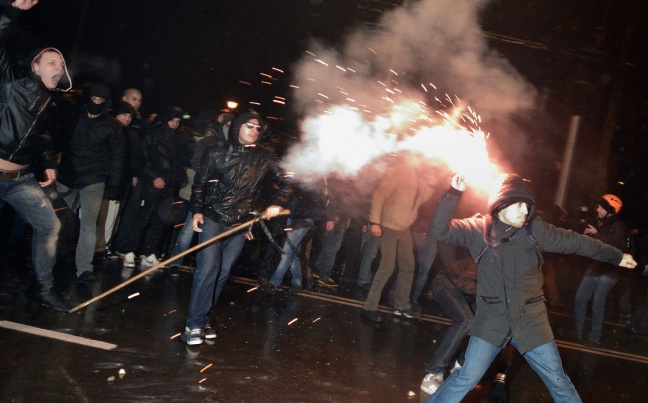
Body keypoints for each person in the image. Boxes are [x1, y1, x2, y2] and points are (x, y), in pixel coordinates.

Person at [425, 173, 637, 403]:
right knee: (466, 377)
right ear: (501, 204)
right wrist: (453, 194)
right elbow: (439, 231)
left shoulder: (535, 231)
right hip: (492, 320)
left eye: (527, 206)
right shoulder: (479, 229)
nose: (524, 211)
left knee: (559, 380)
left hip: (530, 319)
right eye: (518, 205)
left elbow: (578, 242)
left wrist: (615, 256)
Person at [182, 111, 292, 345]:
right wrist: (198, 210)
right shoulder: (216, 152)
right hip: (213, 218)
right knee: (208, 269)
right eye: (249, 126)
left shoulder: (265, 156)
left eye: (258, 127)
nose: (254, 130)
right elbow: (199, 185)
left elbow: (286, 183)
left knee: (222, 273)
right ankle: (193, 324)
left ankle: (204, 320)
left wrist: (276, 203)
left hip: (240, 225)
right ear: (237, 128)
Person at [0, 0, 72, 311]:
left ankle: (41, 288)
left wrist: (49, 163)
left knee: (50, 226)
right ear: (35, 66)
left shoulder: (54, 105)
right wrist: (12, 8)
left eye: (61, 64)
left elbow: (42, 140)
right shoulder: (11, 82)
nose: (59, 67)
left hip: (20, 180)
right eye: (52, 62)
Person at [56, 84, 125, 282]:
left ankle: (84, 269)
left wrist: (114, 184)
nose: (96, 104)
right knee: (57, 221)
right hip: (66, 177)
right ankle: (51, 257)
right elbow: (59, 140)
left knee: (88, 224)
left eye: (100, 101)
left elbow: (117, 157)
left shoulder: (112, 126)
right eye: (93, 99)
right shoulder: (73, 117)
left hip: (93, 180)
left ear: (106, 103)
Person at [113, 107, 191, 267]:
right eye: (172, 120)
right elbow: (142, 159)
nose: (175, 124)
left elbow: (181, 161)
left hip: (170, 185)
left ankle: (148, 253)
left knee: (160, 221)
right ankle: (129, 251)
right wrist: (154, 176)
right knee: (142, 218)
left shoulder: (181, 139)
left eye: (177, 121)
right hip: (152, 184)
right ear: (165, 120)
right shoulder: (152, 135)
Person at [360, 156, 436, 322]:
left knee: (408, 265)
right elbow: (380, 193)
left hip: (404, 229)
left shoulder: (421, 176)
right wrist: (375, 222)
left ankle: (401, 304)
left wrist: (430, 185)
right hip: (389, 226)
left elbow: (418, 201)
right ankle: (369, 307)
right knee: (387, 266)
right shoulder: (403, 169)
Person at [167, 114, 234, 277]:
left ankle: (204, 267)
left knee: (211, 233)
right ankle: (176, 262)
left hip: (222, 198)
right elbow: (196, 162)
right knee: (189, 229)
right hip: (205, 193)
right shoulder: (207, 143)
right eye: (228, 124)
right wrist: (213, 173)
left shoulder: (236, 147)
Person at [572, 194, 628, 345]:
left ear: (610, 209)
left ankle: (594, 337)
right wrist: (585, 232)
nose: (598, 209)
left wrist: (596, 233)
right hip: (596, 267)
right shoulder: (600, 222)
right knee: (580, 297)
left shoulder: (618, 225)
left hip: (609, 271)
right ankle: (576, 331)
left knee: (598, 302)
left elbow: (614, 244)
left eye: (601, 207)